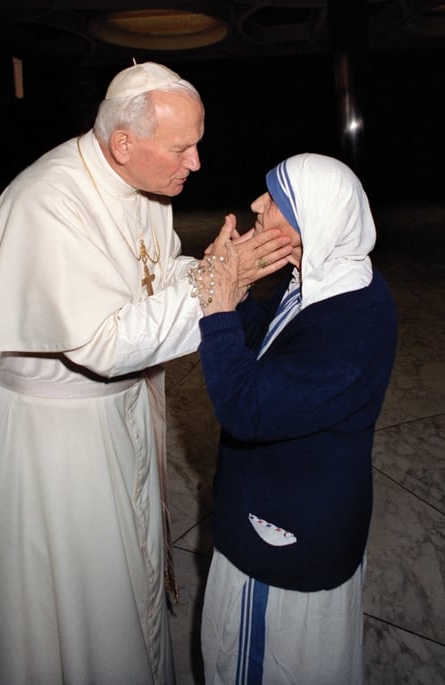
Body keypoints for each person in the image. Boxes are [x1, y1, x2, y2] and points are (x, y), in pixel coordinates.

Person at [0, 61, 291, 685]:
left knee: (131, 578)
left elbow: (157, 272)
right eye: (181, 147)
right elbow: (105, 343)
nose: (195, 162)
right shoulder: (50, 202)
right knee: (88, 600)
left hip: (118, 413)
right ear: (123, 144)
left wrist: (206, 268)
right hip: (60, 440)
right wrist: (216, 286)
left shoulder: (141, 184)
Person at [191, 153, 398, 684]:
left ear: (317, 221)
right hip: (293, 509)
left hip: (286, 539)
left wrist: (216, 309)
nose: (258, 204)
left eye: (277, 200)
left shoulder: (351, 327)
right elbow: (273, 337)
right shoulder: (332, 279)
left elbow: (247, 408)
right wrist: (235, 291)